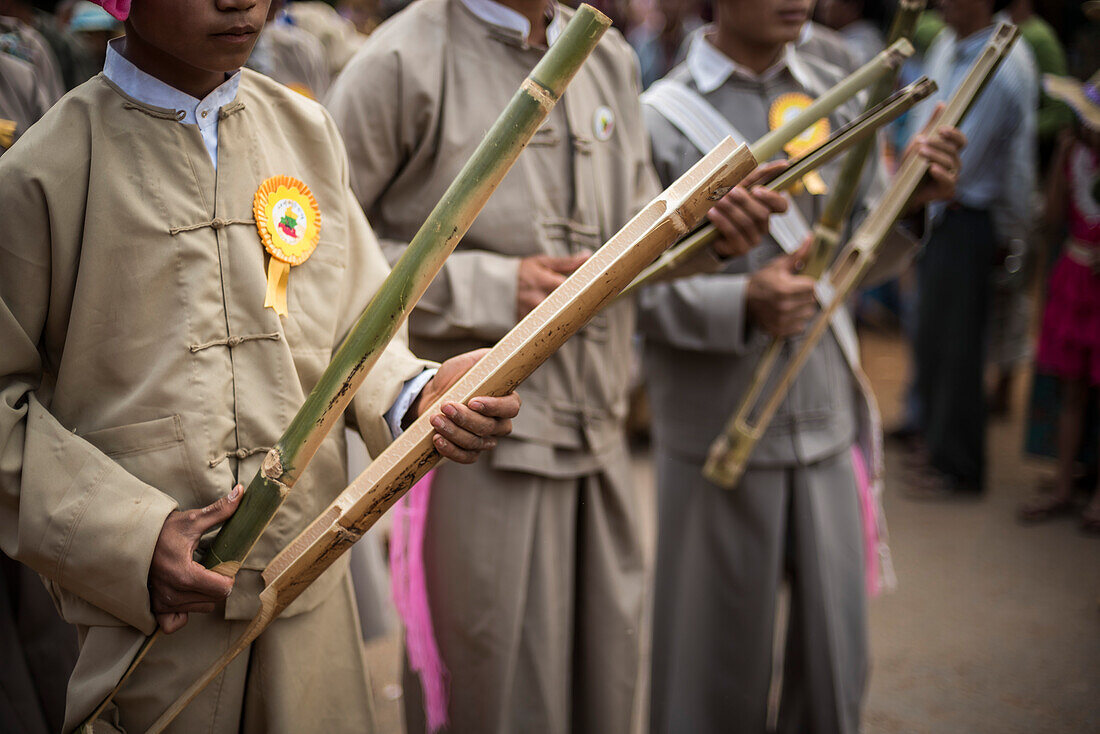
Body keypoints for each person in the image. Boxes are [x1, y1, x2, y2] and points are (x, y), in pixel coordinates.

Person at [0, 0, 521, 732]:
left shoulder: (306, 132)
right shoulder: (43, 174)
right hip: (155, 633)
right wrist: (129, 537)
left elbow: (357, 331)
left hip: (311, 589)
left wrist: (419, 394)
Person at [326, 0, 771, 729]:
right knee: (489, 690)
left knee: (605, 684)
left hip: (600, 434)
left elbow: (630, 239)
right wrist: (494, 284)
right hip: (477, 444)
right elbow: (328, 255)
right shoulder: (399, 61)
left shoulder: (608, 56)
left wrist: (712, 241)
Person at [638, 1, 965, 732]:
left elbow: (857, 256)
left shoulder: (838, 88)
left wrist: (913, 208)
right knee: (708, 681)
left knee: (833, 672)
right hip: (714, 431)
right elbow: (618, 297)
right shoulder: (655, 119)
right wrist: (738, 305)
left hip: (824, 421)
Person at [907, 0, 1037, 497]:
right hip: (943, 215)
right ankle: (937, 445)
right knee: (936, 339)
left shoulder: (999, 68)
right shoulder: (950, 44)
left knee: (960, 348)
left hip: (966, 218)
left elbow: (953, 161)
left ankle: (958, 466)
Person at [1018, 72, 1100, 534]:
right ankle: (1064, 482)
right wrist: (1060, 161)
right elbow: (1052, 217)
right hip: (1074, 277)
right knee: (1071, 390)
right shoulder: (1077, 158)